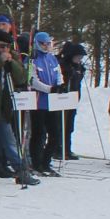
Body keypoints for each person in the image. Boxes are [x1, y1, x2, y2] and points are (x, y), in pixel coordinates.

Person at [0, 34, 41, 188]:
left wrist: (10, 62)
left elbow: (21, 77)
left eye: (7, 46)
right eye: (0, 45)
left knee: (9, 142)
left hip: (2, 107)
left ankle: (21, 171)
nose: (4, 49)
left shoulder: (11, 58)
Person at [27, 31, 65, 176]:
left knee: (55, 134)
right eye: (43, 43)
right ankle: (36, 163)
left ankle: (45, 162)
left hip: (53, 102)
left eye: (48, 43)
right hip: (39, 102)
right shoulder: (33, 60)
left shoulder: (52, 59)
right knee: (39, 134)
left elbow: (58, 74)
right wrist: (50, 89)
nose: (46, 46)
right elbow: (33, 81)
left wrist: (60, 85)